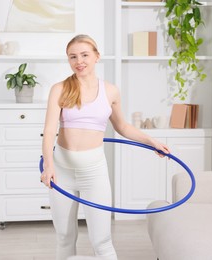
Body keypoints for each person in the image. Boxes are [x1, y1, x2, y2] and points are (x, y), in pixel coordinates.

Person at [41, 34, 170, 260]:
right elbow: (50, 131)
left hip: (94, 173)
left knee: (102, 241)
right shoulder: (60, 89)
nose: (79, 61)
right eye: (73, 56)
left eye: (84, 55)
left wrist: (152, 142)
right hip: (62, 171)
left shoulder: (110, 91)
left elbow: (123, 126)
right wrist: (48, 166)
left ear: (97, 57)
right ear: (68, 60)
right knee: (64, 237)